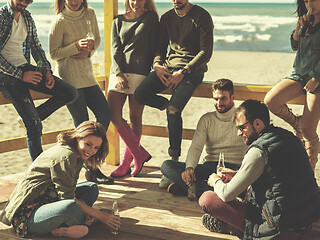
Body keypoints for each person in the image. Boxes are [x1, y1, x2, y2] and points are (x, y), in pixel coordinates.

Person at [199, 100, 320, 240]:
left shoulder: (258, 151)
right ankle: (234, 227)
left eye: (242, 128)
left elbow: (227, 194)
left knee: (207, 199)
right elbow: (281, 178)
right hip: (308, 215)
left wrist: (215, 181)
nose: (239, 133)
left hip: (279, 228)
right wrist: (238, 175)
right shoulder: (288, 137)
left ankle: (239, 229)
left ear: (257, 123)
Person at [134, 0, 213, 187]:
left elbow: (206, 52)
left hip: (191, 72)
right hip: (167, 69)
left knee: (173, 110)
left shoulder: (202, 16)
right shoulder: (167, 17)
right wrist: (157, 66)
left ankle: (174, 162)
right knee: (140, 94)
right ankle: (164, 105)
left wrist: (183, 72)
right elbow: (160, 49)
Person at [0, 121, 121, 239]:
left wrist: (89, 210)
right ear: (78, 137)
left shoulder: (77, 154)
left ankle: (70, 223)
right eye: (88, 144)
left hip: (48, 199)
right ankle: (83, 222)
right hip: (27, 216)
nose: (91, 151)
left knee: (91, 188)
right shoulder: (66, 156)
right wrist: (99, 215)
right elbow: (68, 199)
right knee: (70, 206)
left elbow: (70, 190)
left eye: (96, 147)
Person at [0, 0, 78, 161]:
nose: (25, 3)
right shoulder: (1, 17)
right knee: (35, 126)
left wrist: (46, 70)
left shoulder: (27, 17)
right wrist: (20, 75)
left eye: (29, 0)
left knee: (70, 93)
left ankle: (30, 117)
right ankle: (40, 175)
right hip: (6, 76)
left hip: (25, 68)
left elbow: (36, 47)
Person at [49, 0, 113, 184]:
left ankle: (91, 164)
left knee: (104, 113)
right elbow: (54, 53)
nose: (75, 2)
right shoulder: (59, 20)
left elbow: (97, 40)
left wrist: (89, 52)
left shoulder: (89, 14)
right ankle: (88, 168)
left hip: (87, 74)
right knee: (83, 123)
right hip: (69, 76)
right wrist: (75, 46)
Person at [160, 79, 247, 199]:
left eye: (223, 98)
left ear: (233, 97)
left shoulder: (242, 118)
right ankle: (211, 190)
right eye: (216, 99)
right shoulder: (206, 119)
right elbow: (196, 147)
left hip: (234, 168)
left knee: (246, 181)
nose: (219, 103)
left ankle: (192, 188)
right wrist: (189, 168)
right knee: (167, 166)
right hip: (210, 167)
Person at [264, 0, 320, 171]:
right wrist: (299, 28)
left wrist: (316, 77)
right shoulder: (306, 21)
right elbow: (294, 45)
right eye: (306, 0)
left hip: (316, 78)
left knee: (309, 130)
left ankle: (308, 175)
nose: (310, 3)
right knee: (270, 100)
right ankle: (296, 123)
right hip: (299, 75)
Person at [107, 0, 158, 178]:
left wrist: (156, 67)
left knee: (135, 117)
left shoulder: (151, 18)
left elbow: (155, 47)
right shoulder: (117, 20)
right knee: (112, 115)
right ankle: (140, 153)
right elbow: (115, 50)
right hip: (118, 72)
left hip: (140, 73)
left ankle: (125, 163)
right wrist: (119, 73)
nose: (136, 2)